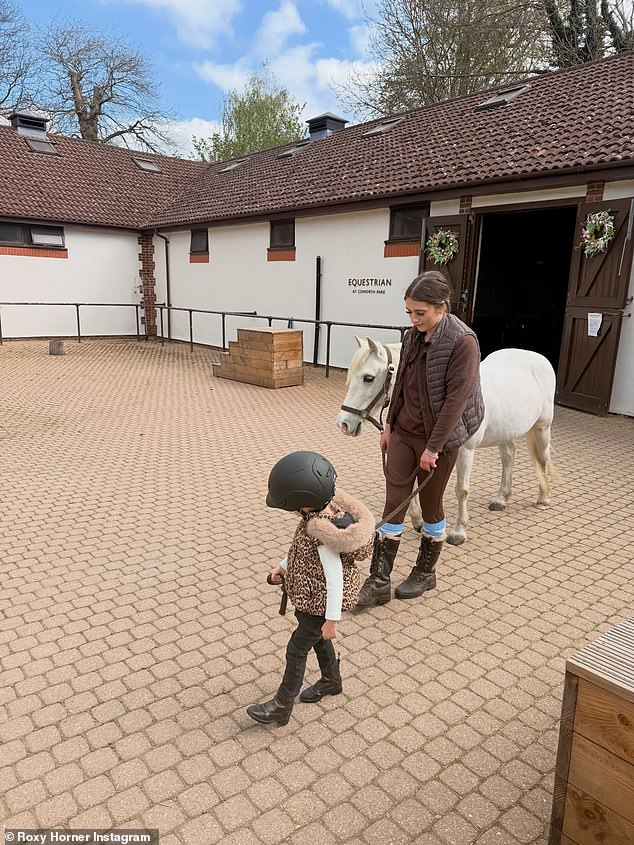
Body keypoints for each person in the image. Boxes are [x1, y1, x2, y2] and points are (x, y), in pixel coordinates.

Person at [356, 270, 485, 609]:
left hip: (438, 440)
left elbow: (457, 401)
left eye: (420, 313)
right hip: (403, 433)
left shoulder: (463, 342)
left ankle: (425, 572)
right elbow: (400, 384)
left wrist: (433, 448)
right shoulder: (413, 335)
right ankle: (379, 581)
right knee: (393, 504)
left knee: (430, 506)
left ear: (441, 307)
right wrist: (388, 425)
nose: (413, 320)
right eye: (409, 313)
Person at [246, 450, 375, 726]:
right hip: (310, 598)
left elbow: (335, 579)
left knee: (297, 649)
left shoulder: (324, 534)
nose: (292, 513)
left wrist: (331, 621)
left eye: (291, 507)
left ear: (304, 503)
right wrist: (284, 565)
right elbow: (301, 552)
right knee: (317, 641)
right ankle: (331, 680)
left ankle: (282, 705)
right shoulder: (317, 519)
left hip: (320, 603)